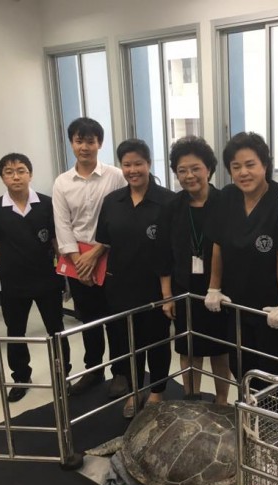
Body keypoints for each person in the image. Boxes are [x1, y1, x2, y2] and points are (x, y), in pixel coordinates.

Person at [204, 132, 278, 389]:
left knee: (271, 372)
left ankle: (272, 413)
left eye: (250, 165)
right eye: (236, 167)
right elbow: (217, 245)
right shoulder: (226, 197)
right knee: (240, 365)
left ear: (265, 165)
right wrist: (213, 288)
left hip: (271, 306)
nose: (243, 172)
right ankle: (247, 410)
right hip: (236, 301)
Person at [0, 153, 71, 402]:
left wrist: (64, 275)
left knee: (56, 330)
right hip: (13, 281)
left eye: (21, 170)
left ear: (30, 174)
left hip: (46, 279)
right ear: (2, 178)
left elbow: (56, 241)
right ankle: (21, 377)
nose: (16, 176)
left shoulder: (47, 204)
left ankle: (62, 375)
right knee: (15, 331)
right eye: (9, 172)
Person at [96, 138, 175, 418]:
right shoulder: (112, 201)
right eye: (127, 164)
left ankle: (157, 391)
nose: (132, 170)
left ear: (149, 164)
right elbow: (104, 242)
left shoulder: (168, 201)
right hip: (120, 287)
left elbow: (172, 249)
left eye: (138, 163)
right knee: (128, 344)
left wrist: (168, 294)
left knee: (157, 341)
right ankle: (133, 390)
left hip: (156, 287)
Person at [52, 117, 127, 397]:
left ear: (100, 143)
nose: (84, 147)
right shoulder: (62, 182)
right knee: (89, 321)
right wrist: (78, 263)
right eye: (79, 141)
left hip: (110, 256)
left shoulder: (116, 176)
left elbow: (121, 218)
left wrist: (97, 252)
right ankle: (93, 371)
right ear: (72, 143)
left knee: (116, 320)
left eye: (90, 141)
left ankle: (120, 372)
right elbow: (62, 225)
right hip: (77, 261)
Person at [157, 136, 231, 404]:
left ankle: (222, 401)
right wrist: (167, 296)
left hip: (220, 289)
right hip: (184, 288)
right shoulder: (172, 207)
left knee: (220, 349)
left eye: (195, 168)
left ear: (208, 169)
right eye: (182, 170)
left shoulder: (226, 202)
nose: (189, 176)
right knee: (188, 348)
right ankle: (191, 399)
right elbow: (163, 253)